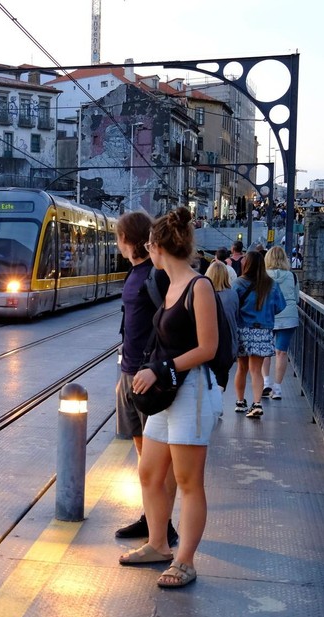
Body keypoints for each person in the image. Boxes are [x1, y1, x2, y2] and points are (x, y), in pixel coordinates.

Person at [120, 207, 221, 589]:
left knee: (188, 479)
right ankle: (158, 544)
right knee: (149, 473)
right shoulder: (170, 285)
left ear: (159, 247)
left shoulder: (199, 287)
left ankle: (185, 561)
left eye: (150, 246)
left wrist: (159, 370)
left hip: (191, 391)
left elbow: (208, 348)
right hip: (169, 393)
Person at [113, 211, 178, 548]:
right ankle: (150, 515)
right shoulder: (136, 273)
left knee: (159, 460)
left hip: (148, 374)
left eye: (119, 236)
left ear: (130, 239)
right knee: (142, 454)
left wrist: (157, 369)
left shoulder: (157, 275)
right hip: (130, 372)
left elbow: (171, 325)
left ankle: (164, 525)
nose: (116, 242)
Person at [231, 251, 285, 418]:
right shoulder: (272, 284)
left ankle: (240, 402)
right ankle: (257, 404)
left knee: (242, 368)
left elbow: (232, 305)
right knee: (256, 370)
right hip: (262, 330)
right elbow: (280, 306)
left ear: (246, 264)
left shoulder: (239, 283)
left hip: (242, 329)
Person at [260, 246, 299, 401]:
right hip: (289, 316)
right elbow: (296, 298)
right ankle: (277, 388)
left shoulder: (263, 276)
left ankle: (265, 383)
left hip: (268, 316)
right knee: (281, 352)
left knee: (265, 351)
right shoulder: (292, 276)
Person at [205, 260, 240, 382]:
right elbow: (236, 317)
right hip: (228, 344)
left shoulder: (203, 294)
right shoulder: (232, 294)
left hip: (207, 343)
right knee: (221, 377)